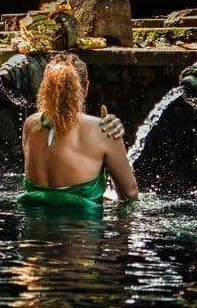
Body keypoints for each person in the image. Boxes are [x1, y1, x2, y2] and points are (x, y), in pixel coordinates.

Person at [19, 53, 138, 212]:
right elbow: (129, 195)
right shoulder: (104, 130)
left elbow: (52, 196)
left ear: (46, 87)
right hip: (81, 234)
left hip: (34, 233)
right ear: (86, 87)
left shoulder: (30, 125)